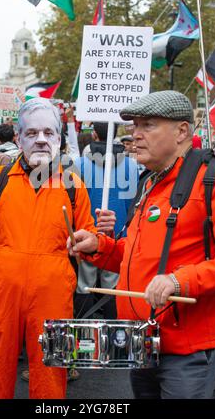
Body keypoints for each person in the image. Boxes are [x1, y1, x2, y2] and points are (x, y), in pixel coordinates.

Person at [0, 97, 110, 399]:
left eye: (49, 133)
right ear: (18, 138)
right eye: (31, 133)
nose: (41, 140)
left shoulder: (73, 186)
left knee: (51, 375)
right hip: (3, 292)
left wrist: (98, 237)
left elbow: (90, 243)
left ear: (59, 139)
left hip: (53, 292)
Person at [67, 90, 215, 399]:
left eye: (148, 125)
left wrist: (178, 281)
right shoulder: (150, 182)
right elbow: (136, 257)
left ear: (182, 131)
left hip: (189, 349)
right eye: (134, 127)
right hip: (142, 341)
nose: (135, 135)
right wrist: (98, 247)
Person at [74, 122, 138, 319]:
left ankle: (84, 330)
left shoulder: (80, 164)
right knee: (112, 283)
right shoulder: (132, 165)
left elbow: (75, 199)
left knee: (85, 283)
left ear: (94, 134)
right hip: (119, 232)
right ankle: (111, 331)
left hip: (88, 230)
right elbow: (133, 201)